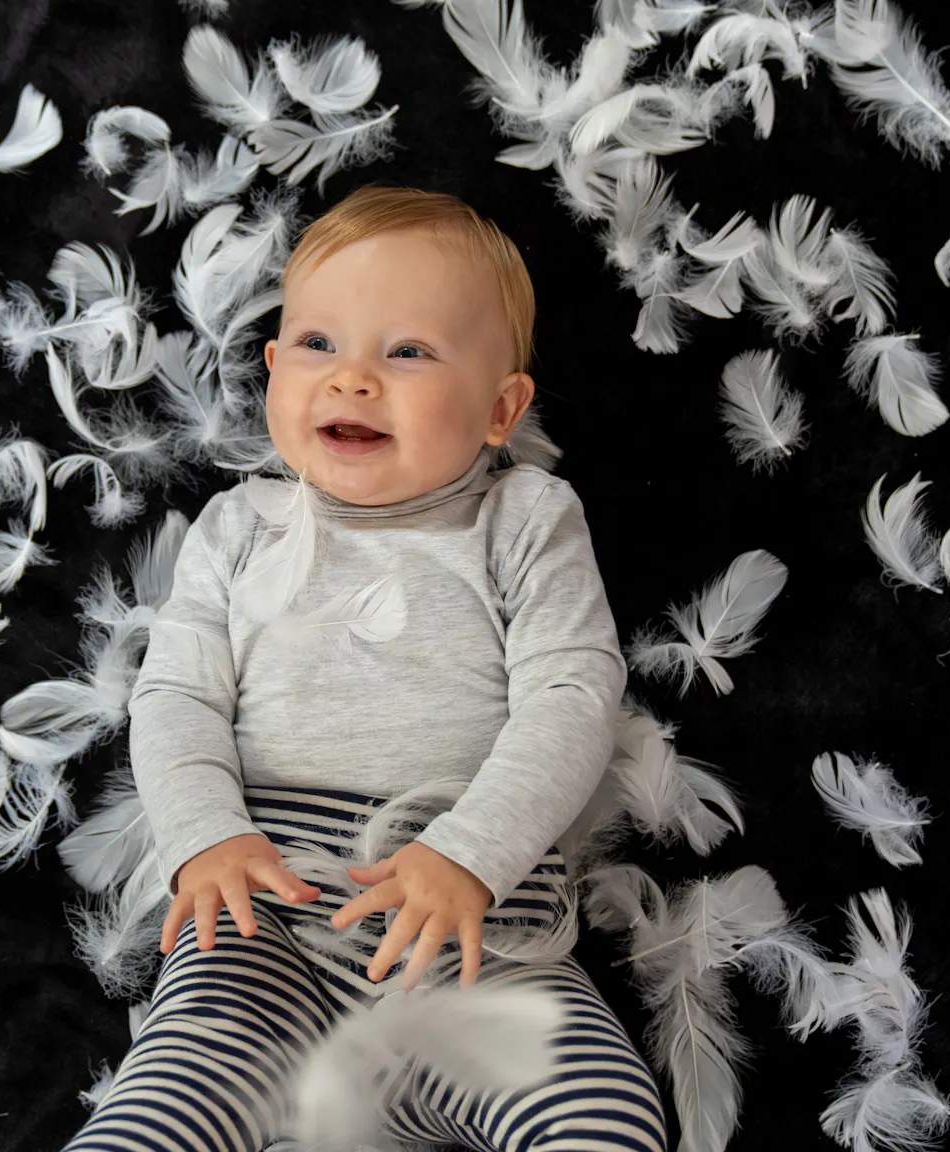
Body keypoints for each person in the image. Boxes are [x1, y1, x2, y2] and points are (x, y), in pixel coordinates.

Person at [70, 186, 666, 1151]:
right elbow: (177, 696)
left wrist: (469, 853)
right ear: (269, 368)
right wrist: (203, 836)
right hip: (267, 937)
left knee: (605, 1120)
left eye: (408, 352)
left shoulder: (526, 521)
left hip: (480, 947)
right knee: (157, 1114)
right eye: (316, 346)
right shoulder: (238, 526)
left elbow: (572, 696)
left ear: (500, 407)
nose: (351, 380)